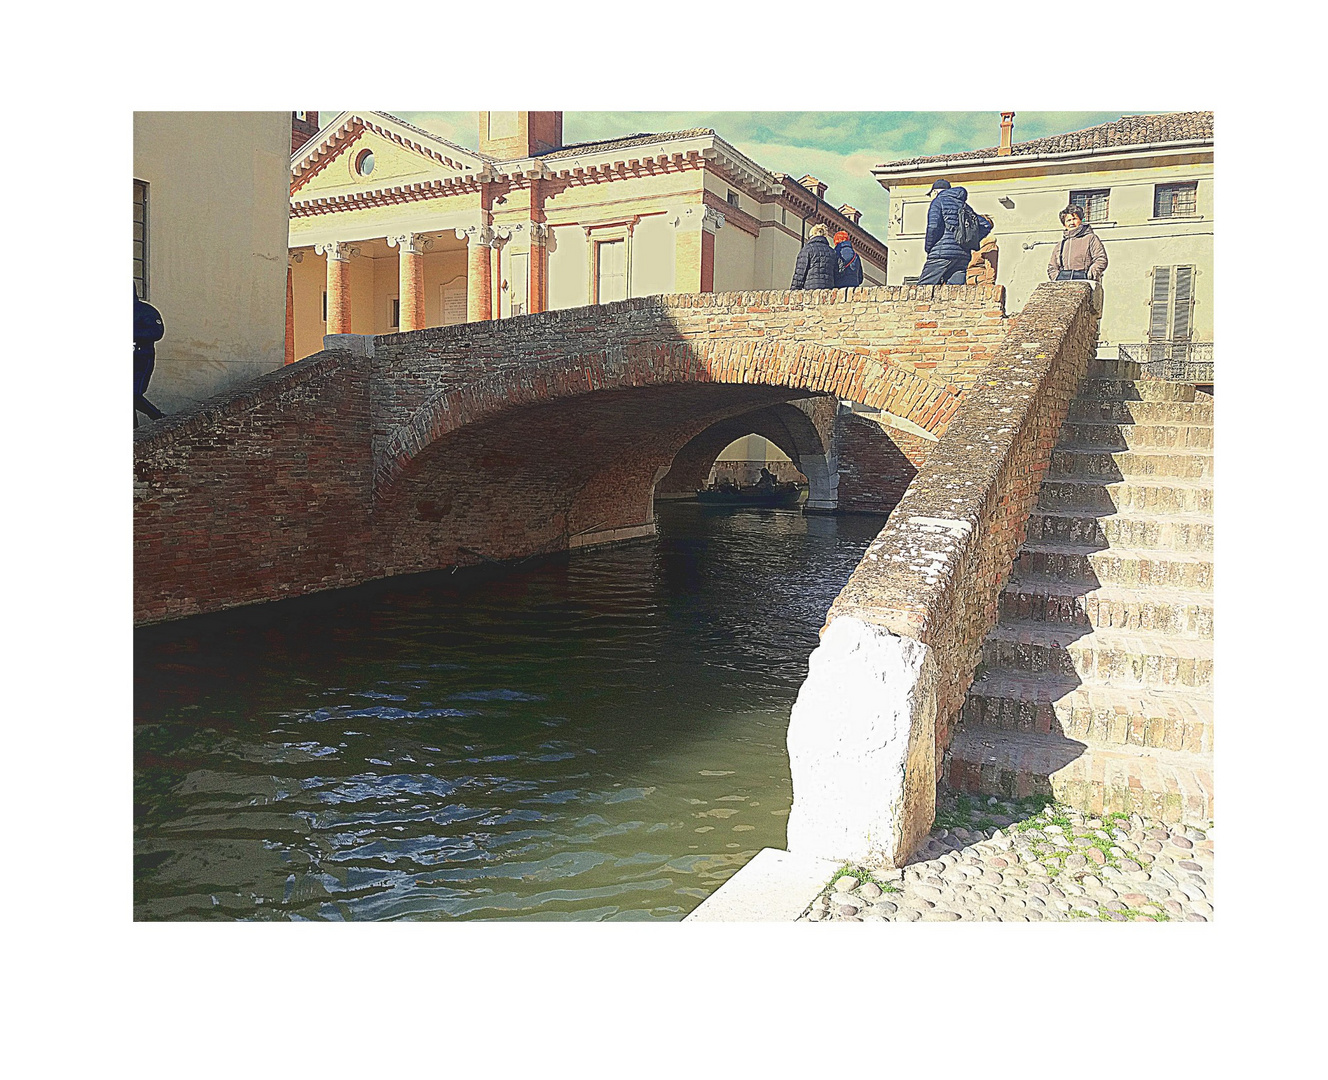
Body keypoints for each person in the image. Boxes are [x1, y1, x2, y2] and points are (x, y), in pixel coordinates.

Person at [917, 179, 993, 286]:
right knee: (955, 292)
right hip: (963, 256)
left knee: (923, 288)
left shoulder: (938, 202)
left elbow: (933, 227)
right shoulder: (964, 205)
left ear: (935, 192)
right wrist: (969, 241)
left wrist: (929, 248)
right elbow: (986, 225)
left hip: (941, 253)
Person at [1047, 204, 1108, 282]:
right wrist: (1056, 277)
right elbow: (1052, 266)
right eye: (1068, 220)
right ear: (1064, 224)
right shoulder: (1060, 245)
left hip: (1084, 280)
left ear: (1080, 220)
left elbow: (1101, 259)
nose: (1072, 223)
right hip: (1063, 282)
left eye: (1074, 219)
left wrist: (1091, 274)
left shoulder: (1090, 238)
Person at [134, 287, 166, 423]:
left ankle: (158, 417)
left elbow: (156, 332)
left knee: (133, 393)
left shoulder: (145, 310)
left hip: (141, 358)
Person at [790, 222, 838, 290]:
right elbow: (836, 274)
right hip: (828, 290)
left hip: (811, 289)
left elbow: (800, 273)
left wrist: (794, 290)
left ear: (812, 235)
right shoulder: (832, 252)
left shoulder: (807, 249)